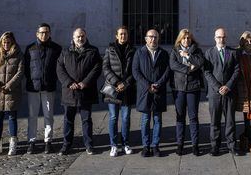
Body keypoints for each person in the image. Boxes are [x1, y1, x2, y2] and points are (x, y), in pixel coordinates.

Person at [57, 28, 102, 156]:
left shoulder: (93, 51)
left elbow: (97, 68)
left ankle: (89, 144)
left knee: (86, 119)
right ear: (73, 37)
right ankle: (66, 145)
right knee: (68, 120)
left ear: (86, 36)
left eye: (82, 36)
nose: (80, 39)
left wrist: (85, 82)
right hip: (69, 91)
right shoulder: (65, 51)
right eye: (78, 36)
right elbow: (59, 69)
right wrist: (69, 82)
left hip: (85, 91)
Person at [132, 29, 171, 157]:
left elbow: (167, 71)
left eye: (155, 37)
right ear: (145, 39)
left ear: (158, 38)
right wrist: (148, 85)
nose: (153, 39)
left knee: (157, 120)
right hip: (145, 91)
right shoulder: (139, 52)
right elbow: (136, 71)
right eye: (150, 37)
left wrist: (158, 84)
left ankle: (155, 146)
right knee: (145, 120)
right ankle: (145, 146)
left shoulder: (164, 53)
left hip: (159, 91)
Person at [24, 23, 62, 154]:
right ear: (37, 34)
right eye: (41, 32)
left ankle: (48, 141)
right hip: (33, 87)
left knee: (48, 116)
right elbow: (26, 68)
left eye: (46, 32)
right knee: (32, 116)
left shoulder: (56, 48)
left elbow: (59, 68)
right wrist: (31, 80)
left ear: (50, 33)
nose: (44, 35)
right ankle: (31, 141)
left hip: (49, 87)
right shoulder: (30, 48)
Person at [203, 27, 240, 156]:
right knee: (215, 121)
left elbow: (236, 71)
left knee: (230, 121)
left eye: (223, 37)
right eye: (219, 37)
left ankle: (232, 145)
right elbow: (207, 72)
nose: (221, 39)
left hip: (229, 92)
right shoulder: (209, 53)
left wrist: (228, 86)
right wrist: (218, 87)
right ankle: (215, 146)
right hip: (215, 93)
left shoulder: (232, 52)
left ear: (226, 38)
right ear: (215, 38)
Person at [169, 28, 205, 156]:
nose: (186, 40)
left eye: (188, 38)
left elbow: (200, 62)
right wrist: (189, 69)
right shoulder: (174, 50)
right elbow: (173, 65)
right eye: (184, 38)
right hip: (178, 88)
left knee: (193, 117)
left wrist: (188, 56)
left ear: (191, 39)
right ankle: (180, 145)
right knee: (180, 117)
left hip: (193, 88)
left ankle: (195, 145)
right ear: (180, 39)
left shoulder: (197, 50)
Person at [103, 26, 136, 157]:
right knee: (113, 117)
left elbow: (135, 70)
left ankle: (125, 143)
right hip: (113, 88)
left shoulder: (133, 50)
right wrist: (117, 82)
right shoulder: (109, 49)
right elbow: (105, 68)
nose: (123, 36)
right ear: (116, 36)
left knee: (126, 118)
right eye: (121, 34)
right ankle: (113, 145)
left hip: (127, 90)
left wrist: (125, 83)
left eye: (125, 34)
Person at [0, 31, 24, 156]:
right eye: (4, 42)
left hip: (11, 91)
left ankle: (12, 145)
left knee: (11, 117)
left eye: (8, 42)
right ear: (1, 42)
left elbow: (20, 73)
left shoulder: (18, 55)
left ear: (12, 42)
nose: (6, 45)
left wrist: (8, 86)